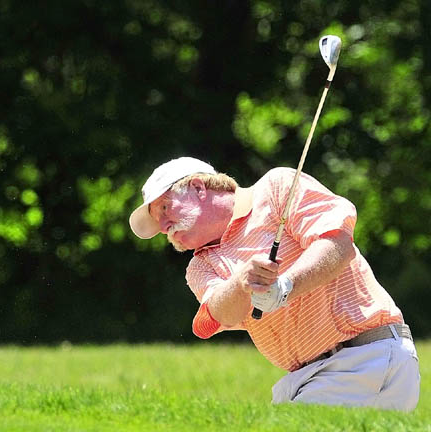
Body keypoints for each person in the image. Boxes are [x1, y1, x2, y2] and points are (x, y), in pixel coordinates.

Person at [128, 156, 420, 411]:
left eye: (165, 208)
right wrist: (243, 282)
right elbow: (213, 318)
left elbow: (337, 244)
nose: (164, 227)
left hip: (365, 358)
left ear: (198, 188)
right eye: (157, 222)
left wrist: (285, 288)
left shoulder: (277, 187)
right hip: (312, 377)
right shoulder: (200, 266)